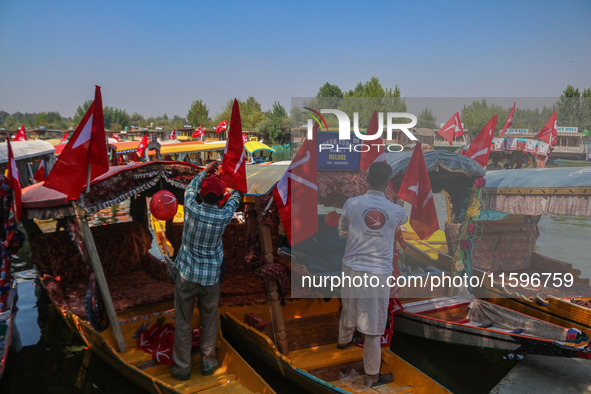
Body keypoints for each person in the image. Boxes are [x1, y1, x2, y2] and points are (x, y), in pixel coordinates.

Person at [337, 161, 408, 388]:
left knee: (349, 307)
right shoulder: (396, 210)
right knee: (374, 326)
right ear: (388, 183)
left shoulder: (352, 203)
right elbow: (403, 219)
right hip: (377, 273)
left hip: (351, 267)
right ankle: (372, 376)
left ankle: (343, 341)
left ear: (366, 180)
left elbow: (342, 232)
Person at [170, 161, 241, 380]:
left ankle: (182, 368)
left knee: (183, 321)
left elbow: (190, 187)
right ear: (221, 199)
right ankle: (208, 361)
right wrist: (236, 178)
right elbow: (237, 198)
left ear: (202, 194)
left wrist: (205, 171)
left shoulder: (191, 207)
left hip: (186, 275)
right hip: (210, 278)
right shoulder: (223, 215)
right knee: (209, 320)